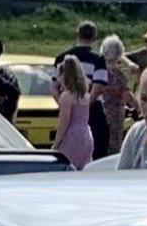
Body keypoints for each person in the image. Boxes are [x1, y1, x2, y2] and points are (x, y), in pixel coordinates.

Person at [57, 21, 111, 160]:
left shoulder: (62, 58)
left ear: (77, 35)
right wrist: (83, 104)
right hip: (92, 114)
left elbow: (54, 87)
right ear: (94, 37)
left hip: (66, 112)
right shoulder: (98, 60)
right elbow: (98, 88)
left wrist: (65, 104)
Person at [52, 55, 95, 170]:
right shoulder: (85, 95)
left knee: (65, 168)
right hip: (86, 134)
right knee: (83, 169)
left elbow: (64, 123)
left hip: (72, 136)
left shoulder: (66, 97)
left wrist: (56, 145)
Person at [100, 34, 138, 156]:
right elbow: (128, 96)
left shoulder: (98, 71)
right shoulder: (117, 75)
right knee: (112, 150)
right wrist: (140, 109)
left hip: (98, 116)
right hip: (114, 120)